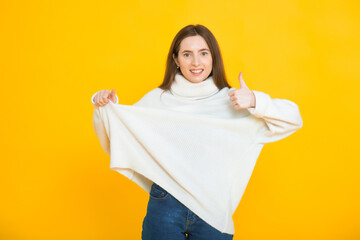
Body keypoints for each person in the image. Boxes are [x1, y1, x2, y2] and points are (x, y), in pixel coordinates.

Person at [91, 24, 303, 240]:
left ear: (213, 57)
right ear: (176, 59)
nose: (196, 62)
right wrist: (106, 108)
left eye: (203, 53)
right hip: (166, 205)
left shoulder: (234, 99)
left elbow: (293, 119)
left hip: (213, 213)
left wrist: (255, 101)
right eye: (187, 54)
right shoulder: (158, 99)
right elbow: (118, 136)